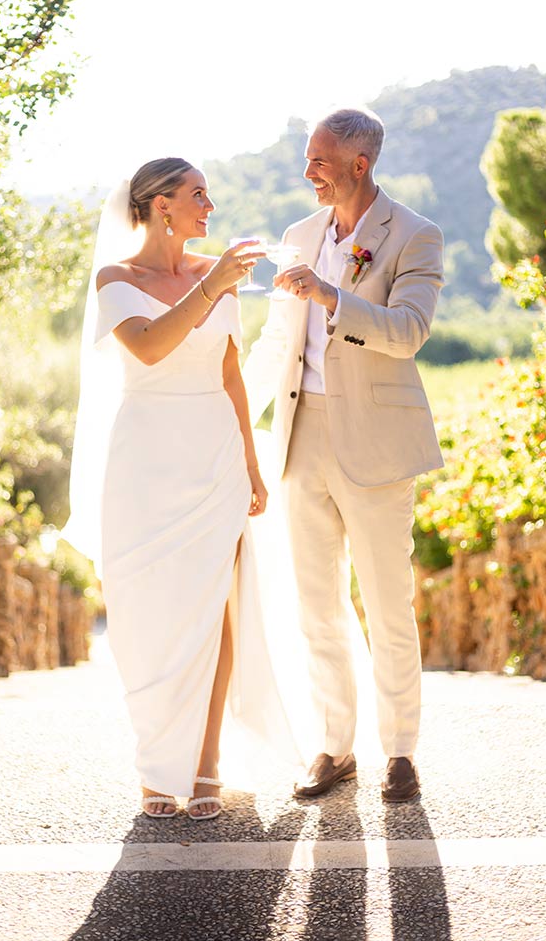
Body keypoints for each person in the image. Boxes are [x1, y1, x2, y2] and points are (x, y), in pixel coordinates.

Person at [65, 158, 296, 820]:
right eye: (198, 195)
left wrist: (250, 465)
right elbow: (148, 348)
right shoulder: (117, 279)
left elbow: (229, 374)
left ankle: (204, 763)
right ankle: (153, 763)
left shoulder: (214, 274)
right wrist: (213, 284)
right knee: (147, 616)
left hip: (214, 454)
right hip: (144, 463)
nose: (210, 206)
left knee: (213, 610)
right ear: (160, 204)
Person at [242, 108, 444, 803]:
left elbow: (408, 331)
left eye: (319, 161)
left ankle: (400, 752)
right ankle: (334, 746)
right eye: (306, 158)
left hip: (379, 444)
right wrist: (232, 410)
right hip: (301, 436)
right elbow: (278, 342)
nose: (307, 173)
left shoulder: (415, 235)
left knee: (388, 601)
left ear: (360, 164)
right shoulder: (299, 236)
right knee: (315, 603)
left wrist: (330, 294)